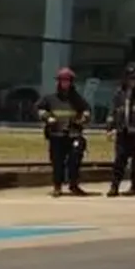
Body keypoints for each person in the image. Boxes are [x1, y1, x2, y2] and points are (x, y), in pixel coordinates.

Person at [37, 68, 91, 197]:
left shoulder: (78, 99)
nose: (65, 83)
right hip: (56, 134)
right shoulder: (50, 99)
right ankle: (57, 186)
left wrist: (84, 118)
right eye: (62, 81)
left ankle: (74, 185)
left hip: (73, 134)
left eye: (67, 81)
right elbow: (39, 109)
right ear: (59, 82)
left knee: (75, 160)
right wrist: (47, 117)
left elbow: (87, 111)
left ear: (71, 82)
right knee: (57, 162)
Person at [106, 62, 135, 197]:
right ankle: (114, 186)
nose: (132, 81)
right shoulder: (120, 94)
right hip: (122, 131)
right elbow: (113, 112)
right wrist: (110, 128)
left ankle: (134, 186)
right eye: (130, 78)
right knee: (119, 160)